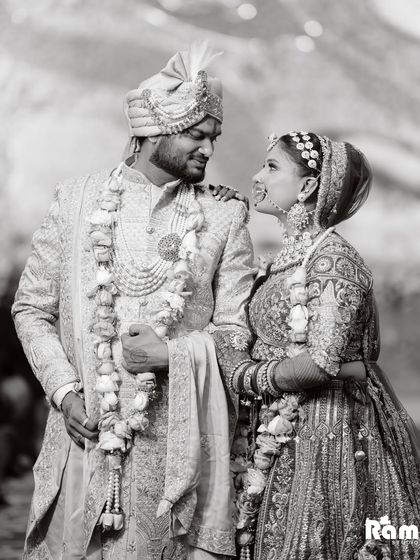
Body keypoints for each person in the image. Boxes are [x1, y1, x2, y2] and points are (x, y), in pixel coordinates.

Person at [12, 45, 257, 560]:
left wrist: (174, 354)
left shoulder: (223, 217)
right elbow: (32, 309)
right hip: (84, 435)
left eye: (214, 138)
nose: (209, 151)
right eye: (197, 135)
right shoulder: (75, 201)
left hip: (178, 454)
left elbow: (238, 333)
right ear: (154, 132)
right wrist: (64, 392)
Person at [226, 131, 420, 559]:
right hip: (281, 430)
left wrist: (242, 375)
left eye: (272, 167)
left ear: (308, 186)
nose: (257, 177)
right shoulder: (286, 258)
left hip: (328, 433)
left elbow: (320, 362)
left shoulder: (333, 260)